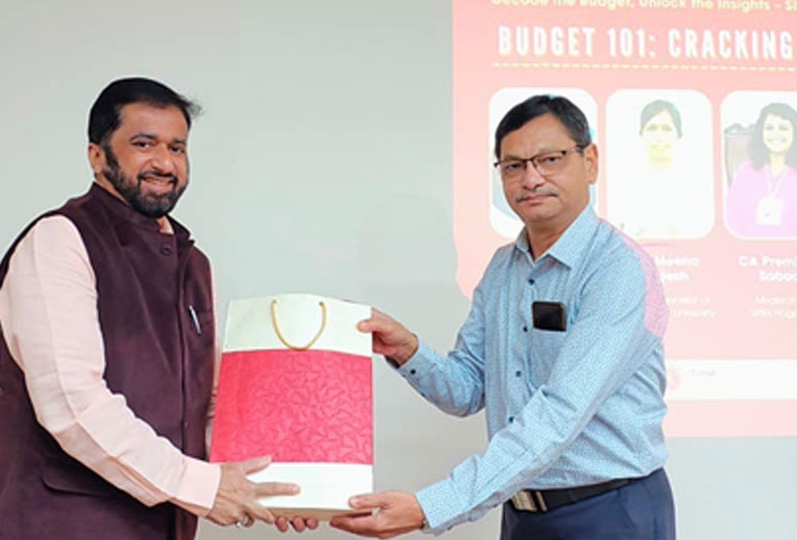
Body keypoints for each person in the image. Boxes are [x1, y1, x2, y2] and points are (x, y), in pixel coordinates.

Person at [331, 95, 675, 539]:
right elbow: (467, 390)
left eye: (549, 159)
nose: (531, 178)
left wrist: (431, 507)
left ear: (589, 162)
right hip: (521, 514)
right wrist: (406, 349)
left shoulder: (618, 270)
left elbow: (559, 413)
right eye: (514, 166)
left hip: (610, 513)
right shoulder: (502, 269)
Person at [0, 77, 299, 540]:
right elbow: (73, 404)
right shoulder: (59, 240)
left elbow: (208, 406)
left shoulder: (194, 264)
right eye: (144, 144)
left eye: (177, 147)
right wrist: (203, 487)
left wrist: (276, 488)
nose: (165, 163)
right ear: (97, 156)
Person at [609, 98, 713, 239]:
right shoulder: (624, 184)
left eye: (667, 129)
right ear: (641, 134)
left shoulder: (695, 185)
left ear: (679, 135)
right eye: (652, 129)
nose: (659, 137)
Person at [726, 102, 797, 238]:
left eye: (783, 128)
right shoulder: (746, 172)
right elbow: (732, 218)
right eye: (769, 128)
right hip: (748, 248)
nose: (776, 134)